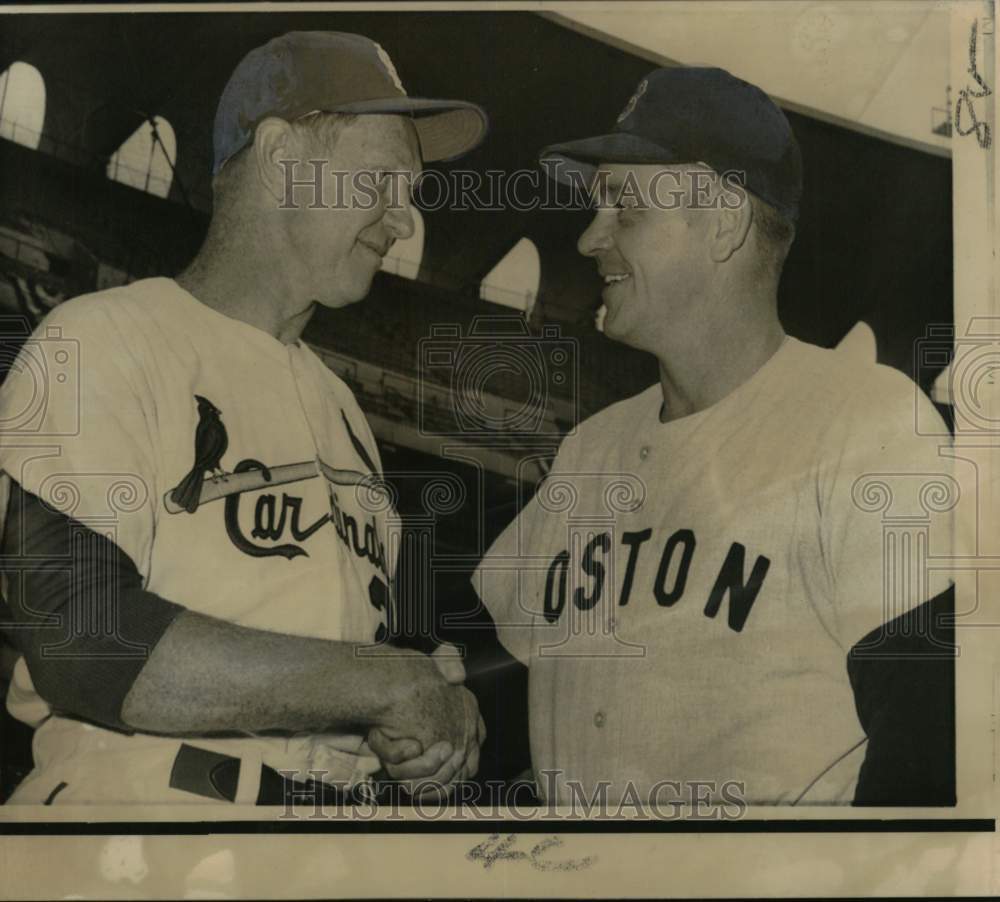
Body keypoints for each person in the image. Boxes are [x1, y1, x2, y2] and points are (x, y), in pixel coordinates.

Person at [0, 31, 488, 805]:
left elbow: (382, 646)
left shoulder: (345, 412)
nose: (405, 221)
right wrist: (379, 683)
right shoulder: (103, 338)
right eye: (385, 180)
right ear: (283, 156)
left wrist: (435, 707)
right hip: (141, 817)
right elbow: (78, 634)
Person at [467, 67, 956, 806]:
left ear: (724, 222)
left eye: (623, 209)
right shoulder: (592, 449)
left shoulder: (867, 420)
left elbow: (930, 744)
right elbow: (504, 681)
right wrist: (431, 700)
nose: (590, 237)